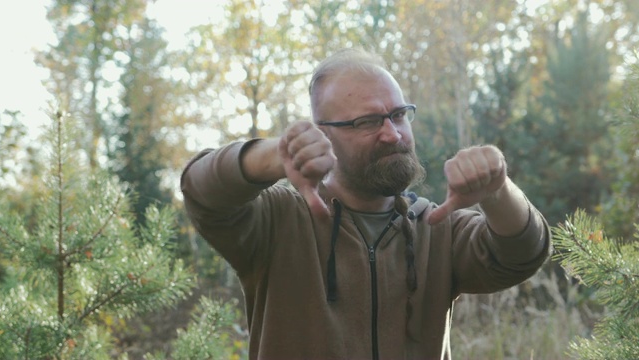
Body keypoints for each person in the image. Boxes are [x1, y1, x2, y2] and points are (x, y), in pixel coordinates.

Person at [180, 48, 551, 360]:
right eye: (367, 122)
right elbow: (201, 190)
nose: (392, 134)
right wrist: (273, 156)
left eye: (399, 115)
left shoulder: (436, 228)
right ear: (323, 135)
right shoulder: (278, 220)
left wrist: (498, 189)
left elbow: (525, 253)